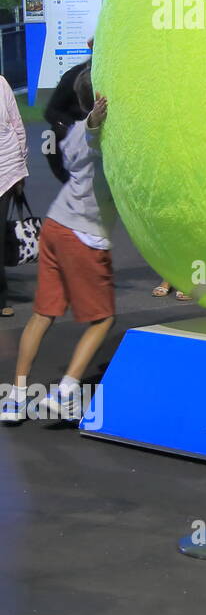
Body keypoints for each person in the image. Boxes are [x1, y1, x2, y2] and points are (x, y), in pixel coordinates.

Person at [1, 72, 115, 425]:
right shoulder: (93, 135)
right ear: (94, 102)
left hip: (55, 226)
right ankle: (65, 392)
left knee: (43, 313)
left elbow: (88, 130)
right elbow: (94, 130)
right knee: (103, 318)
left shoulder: (70, 136)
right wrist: (98, 116)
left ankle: (16, 396)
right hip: (82, 235)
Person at [42, 39, 92, 185]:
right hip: (77, 141)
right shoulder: (73, 77)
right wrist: (71, 127)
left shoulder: (115, 77)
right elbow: (50, 111)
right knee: (51, 137)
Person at [1, 72, 29, 319]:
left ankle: (1, 298)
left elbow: (16, 124)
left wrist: (20, 168)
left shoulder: (1, 83)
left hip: (5, 171)